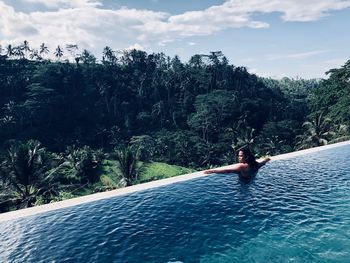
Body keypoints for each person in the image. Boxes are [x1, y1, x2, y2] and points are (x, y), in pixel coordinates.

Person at [203, 147, 271, 179]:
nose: (239, 157)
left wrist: (212, 170)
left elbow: (227, 171)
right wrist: (267, 159)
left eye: (241, 156)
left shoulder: (241, 166)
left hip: (243, 186)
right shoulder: (255, 164)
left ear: (246, 157)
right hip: (251, 183)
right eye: (239, 156)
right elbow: (263, 162)